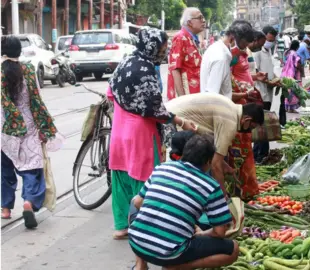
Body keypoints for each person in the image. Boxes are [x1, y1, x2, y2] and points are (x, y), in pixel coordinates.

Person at [107, 28, 197, 239]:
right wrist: (181, 121)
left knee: (120, 178)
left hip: (119, 130)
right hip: (141, 134)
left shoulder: (125, 62)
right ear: (152, 46)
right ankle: (143, 228)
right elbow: (154, 109)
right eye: (162, 48)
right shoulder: (146, 69)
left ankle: (121, 227)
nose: (163, 52)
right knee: (145, 179)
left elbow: (110, 93)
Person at [129, 134, 239, 270]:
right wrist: (200, 234)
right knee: (233, 249)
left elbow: (138, 203)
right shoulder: (211, 186)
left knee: (135, 199)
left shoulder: (162, 168)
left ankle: (140, 265)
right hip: (170, 253)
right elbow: (220, 232)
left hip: (136, 242)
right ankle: (175, 267)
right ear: (209, 162)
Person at [1, 35, 58, 228]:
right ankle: (29, 202)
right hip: (28, 125)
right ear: (20, 50)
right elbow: (36, 99)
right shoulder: (28, 70)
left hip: (4, 128)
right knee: (32, 168)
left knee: (5, 169)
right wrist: (45, 125)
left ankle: (6, 209)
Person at [165, 93, 264, 195]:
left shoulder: (231, 108)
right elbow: (215, 165)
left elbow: (216, 155)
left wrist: (225, 165)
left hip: (170, 113)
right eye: (251, 127)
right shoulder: (231, 122)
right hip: (172, 121)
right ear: (247, 120)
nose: (250, 130)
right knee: (186, 171)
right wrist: (223, 195)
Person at [228, 25, 263, 199]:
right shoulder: (231, 55)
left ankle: (248, 188)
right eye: (248, 41)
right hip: (237, 104)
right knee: (238, 149)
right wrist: (243, 91)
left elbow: (244, 76)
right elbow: (229, 79)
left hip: (245, 101)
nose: (250, 45)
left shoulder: (243, 54)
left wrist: (255, 80)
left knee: (245, 147)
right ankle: (240, 189)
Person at [200, 20, 254, 99]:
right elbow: (212, 96)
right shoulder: (221, 58)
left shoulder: (217, 48)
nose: (244, 50)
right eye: (242, 46)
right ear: (232, 39)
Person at [253, 26, 279, 164]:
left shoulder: (268, 51)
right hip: (260, 92)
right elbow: (256, 72)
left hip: (267, 93)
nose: (270, 41)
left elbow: (270, 69)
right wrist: (269, 81)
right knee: (261, 125)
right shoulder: (257, 52)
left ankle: (262, 153)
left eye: (273, 39)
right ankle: (258, 155)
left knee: (264, 123)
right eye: (269, 39)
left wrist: (276, 79)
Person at [167, 8, 205, 100]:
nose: (203, 20)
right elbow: (175, 69)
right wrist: (182, 100)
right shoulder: (180, 37)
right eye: (200, 18)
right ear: (190, 22)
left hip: (194, 96)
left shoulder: (192, 38)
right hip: (186, 99)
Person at [281, 40, 302, 113]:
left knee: (288, 90)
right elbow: (297, 64)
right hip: (293, 73)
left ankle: (287, 107)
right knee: (294, 90)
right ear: (297, 47)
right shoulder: (295, 54)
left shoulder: (286, 52)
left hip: (285, 73)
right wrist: (301, 70)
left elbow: (283, 62)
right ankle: (291, 108)